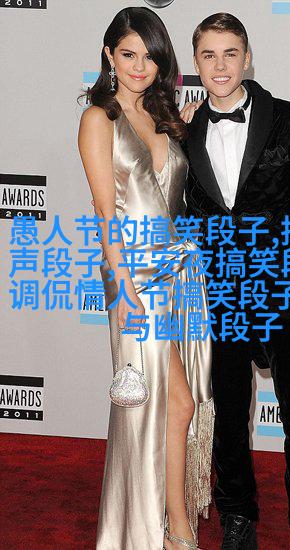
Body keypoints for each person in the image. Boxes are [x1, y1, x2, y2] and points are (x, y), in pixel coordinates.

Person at [180, 12, 290, 550]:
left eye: (230, 53)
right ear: (196, 63)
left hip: (284, 288)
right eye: (208, 55)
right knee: (227, 414)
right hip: (220, 293)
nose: (220, 66)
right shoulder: (183, 130)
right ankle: (237, 516)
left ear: (247, 58)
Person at [77, 7, 214, 550]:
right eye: (128, 54)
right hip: (134, 277)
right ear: (108, 56)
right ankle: (146, 532)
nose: (139, 66)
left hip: (178, 273)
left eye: (150, 56)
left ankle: (173, 525)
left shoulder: (165, 116)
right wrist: (124, 287)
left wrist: (190, 119)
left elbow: (175, 188)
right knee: (147, 407)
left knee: (181, 404)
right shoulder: (98, 119)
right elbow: (104, 212)